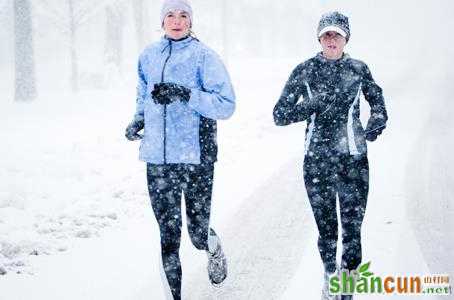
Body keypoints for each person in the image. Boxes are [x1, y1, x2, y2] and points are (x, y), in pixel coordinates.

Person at [273, 11, 388, 300]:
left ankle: (346, 289)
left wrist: (377, 120)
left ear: (346, 37)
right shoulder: (305, 70)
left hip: (353, 160)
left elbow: (378, 103)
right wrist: (310, 104)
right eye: (327, 34)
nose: (332, 39)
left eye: (337, 34)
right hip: (317, 162)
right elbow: (280, 114)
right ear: (319, 38)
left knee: (352, 232)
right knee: (327, 232)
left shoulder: (359, 69)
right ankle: (328, 273)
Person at [125, 0, 235, 299]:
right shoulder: (148, 56)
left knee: (196, 234)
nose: (176, 21)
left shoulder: (204, 57)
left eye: (183, 15)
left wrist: (186, 94)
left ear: (191, 21)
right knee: (168, 238)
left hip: (196, 157)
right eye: (170, 15)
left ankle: (211, 246)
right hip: (158, 161)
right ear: (162, 21)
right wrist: (138, 119)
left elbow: (226, 105)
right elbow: (142, 95)